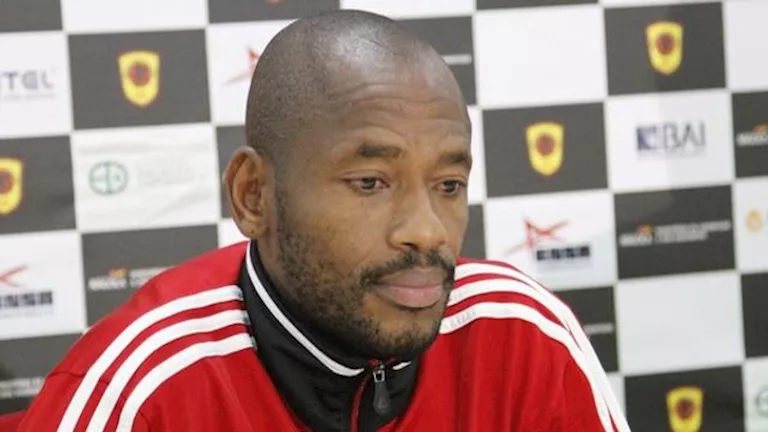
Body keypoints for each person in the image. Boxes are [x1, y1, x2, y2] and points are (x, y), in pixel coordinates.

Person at [17, 10, 629, 432]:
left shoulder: (522, 335)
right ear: (254, 196)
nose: (428, 231)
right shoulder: (143, 388)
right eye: (370, 183)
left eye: (448, 185)